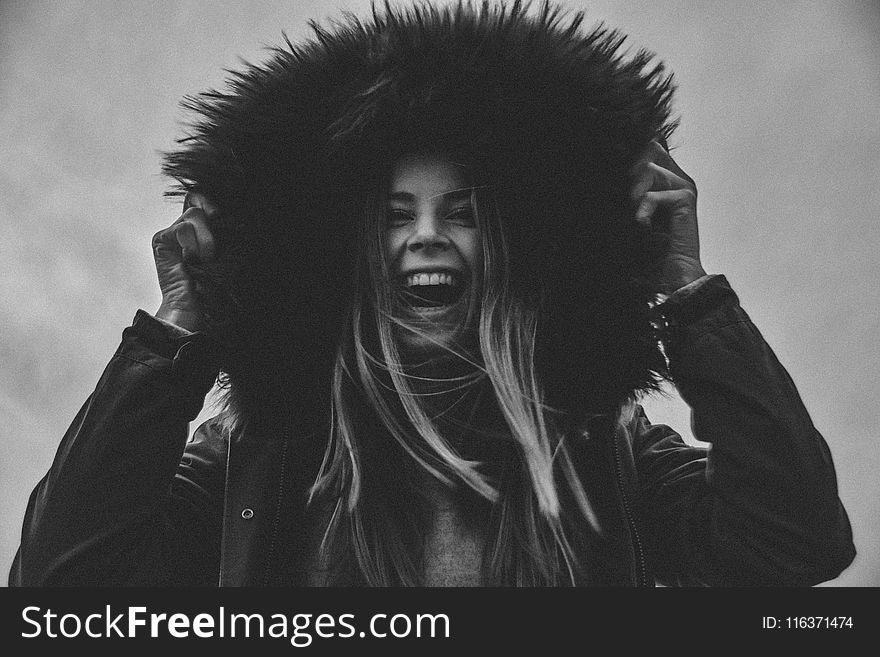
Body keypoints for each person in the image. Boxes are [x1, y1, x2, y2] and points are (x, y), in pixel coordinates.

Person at [10, 1, 854, 587]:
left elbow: (797, 541)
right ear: (351, 248)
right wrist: (180, 332)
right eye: (393, 215)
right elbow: (63, 583)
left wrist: (685, 290)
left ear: (508, 247)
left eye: (463, 212)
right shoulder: (251, 460)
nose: (425, 235)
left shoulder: (606, 451)